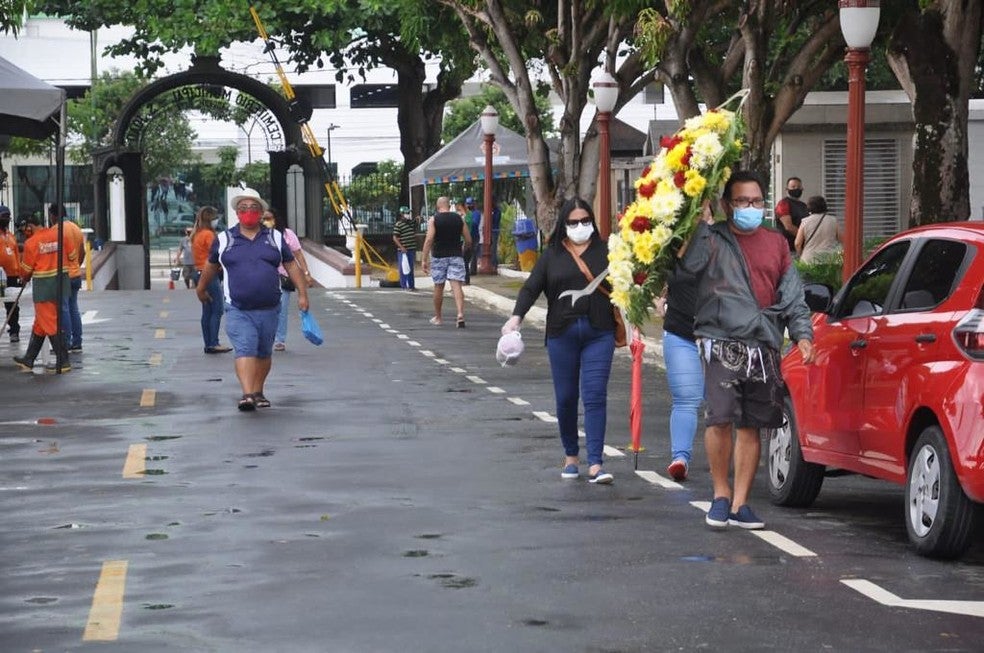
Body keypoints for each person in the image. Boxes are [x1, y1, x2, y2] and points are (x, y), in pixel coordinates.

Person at [681, 170, 815, 529]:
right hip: (720, 338)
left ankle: (741, 503)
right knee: (720, 416)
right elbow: (687, 268)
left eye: (756, 201)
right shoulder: (712, 238)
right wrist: (700, 224)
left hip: (764, 342)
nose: (750, 207)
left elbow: (792, 295)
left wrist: (803, 335)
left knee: (753, 425)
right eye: (742, 201)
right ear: (728, 205)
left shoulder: (777, 243)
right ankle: (721, 494)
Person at [501, 197, 617, 484]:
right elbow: (531, 288)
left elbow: (626, 288)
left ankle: (596, 463)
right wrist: (516, 317)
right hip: (561, 334)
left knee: (594, 396)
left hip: (599, 332)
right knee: (566, 398)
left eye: (585, 221)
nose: (580, 226)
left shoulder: (608, 251)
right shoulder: (552, 255)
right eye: (574, 222)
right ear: (564, 225)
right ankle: (571, 456)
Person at [196, 188, 309, 411]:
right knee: (245, 348)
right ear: (237, 213)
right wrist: (201, 288)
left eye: (253, 208)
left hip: (269, 307)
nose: (248, 212)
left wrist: (303, 294)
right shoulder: (224, 239)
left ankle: (258, 391)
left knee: (263, 352)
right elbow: (211, 265)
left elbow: (290, 265)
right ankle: (247, 394)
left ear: (261, 212)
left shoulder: (275, 237)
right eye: (243, 209)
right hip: (238, 307)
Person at [654, 264, 703, 482]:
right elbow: (652, 269)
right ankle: (680, 459)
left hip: (725, 335)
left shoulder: (735, 238)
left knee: (724, 406)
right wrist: (657, 295)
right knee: (685, 398)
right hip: (681, 333)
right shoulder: (675, 237)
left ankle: (726, 461)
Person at [13, 214, 74, 373]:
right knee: (40, 324)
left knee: (50, 323)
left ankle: (63, 361)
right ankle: (28, 360)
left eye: (23, 230)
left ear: (29, 226)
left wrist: (23, 276)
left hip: (44, 287)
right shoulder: (59, 235)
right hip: (60, 284)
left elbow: (26, 272)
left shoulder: (31, 243)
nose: (24, 233)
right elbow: (72, 255)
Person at [263, 206, 312, 352]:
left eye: (268, 218)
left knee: (281, 309)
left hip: (284, 277)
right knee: (266, 309)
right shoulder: (260, 235)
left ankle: (280, 339)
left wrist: (306, 273)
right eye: (263, 219)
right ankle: (267, 336)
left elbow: (298, 255)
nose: (266, 221)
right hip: (266, 276)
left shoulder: (287, 235)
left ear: (276, 219)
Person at [421, 196, 470, 328]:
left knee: (439, 286)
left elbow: (429, 239)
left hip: (438, 256)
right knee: (456, 286)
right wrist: (463, 250)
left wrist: (424, 259)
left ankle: (438, 317)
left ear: (438, 207)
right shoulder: (459, 219)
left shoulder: (434, 219)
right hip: (456, 255)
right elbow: (468, 239)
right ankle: (460, 314)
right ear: (449, 206)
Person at [192, 206, 231, 354]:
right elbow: (216, 255)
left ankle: (208, 343)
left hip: (199, 272)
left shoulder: (197, 234)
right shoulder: (209, 235)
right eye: (215, 218)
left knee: (207, 310)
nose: (217, 221)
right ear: (210, 219)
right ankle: (214, 342)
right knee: (217, 309)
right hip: (209, 274)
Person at [53, 205, 85, 354]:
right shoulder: (76, 228)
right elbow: (82, 252)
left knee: (63, 308)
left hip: (63, 274)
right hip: (76, 274)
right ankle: (77, 342)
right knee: (74, 308)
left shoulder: (56, 230)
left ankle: (65, 342)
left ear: (53, 215)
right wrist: (76, 265)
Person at [795, 195, 843, 264]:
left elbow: (797, 243)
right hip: (829, 259)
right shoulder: (833, 220)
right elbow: (842, 240)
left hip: (809, 259)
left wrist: (801, 255)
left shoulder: (805, 222)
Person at [0, 206, 22, 342]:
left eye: (8, 217)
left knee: (13, 304)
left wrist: (19, 272)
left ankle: (14, 330)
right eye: (3, 216)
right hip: (1, 276)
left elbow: (16, 255)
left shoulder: (11, 236)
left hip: (13, 276)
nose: (6, 219)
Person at [773, 176, 808, 253]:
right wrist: (805, 238)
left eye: (798, 187)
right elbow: (788, 227)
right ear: (787, 189)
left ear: (802, 189)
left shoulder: (804, 206)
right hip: (787, 249)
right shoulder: (783, 204)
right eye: (793, 187)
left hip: (801, 248)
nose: (796, 189)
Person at [392, 205, 418, 291]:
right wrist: (401, 247)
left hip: (411, 249)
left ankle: (411, 285)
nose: (408, 214)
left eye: (408, 213)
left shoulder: (410, 223)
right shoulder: (398, 225)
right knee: (403, 268)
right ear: (402, 214)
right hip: (403, 250)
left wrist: (418, 219)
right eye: (406, 213)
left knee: (410, 267)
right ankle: (404, 286)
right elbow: (395, 237)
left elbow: (416, 223)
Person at [456, 200, 473, 285]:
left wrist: (463, 213)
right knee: (461, 260)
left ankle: (466, 279)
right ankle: (462, 278)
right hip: (460, 239)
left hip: (466, 240)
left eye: (458, 206)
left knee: (464, 260)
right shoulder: (460, 215)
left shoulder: (468, 215)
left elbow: (468, 223)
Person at [466, 196, 481, 277]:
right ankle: (467, 269)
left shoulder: (476, 213)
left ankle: (473, 270)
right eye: (468, 204)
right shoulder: (467, 213)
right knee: (467, 253)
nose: (469, 206)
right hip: (467, 235)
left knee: (473, 253)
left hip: (474, 236)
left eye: (470, 204)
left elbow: (475, 224)